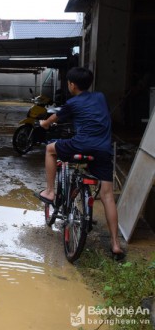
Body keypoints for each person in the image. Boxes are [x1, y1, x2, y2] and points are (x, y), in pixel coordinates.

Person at [35, 67, 124, 260]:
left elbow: (53, 118)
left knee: (50, 149)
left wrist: (44, 124)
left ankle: (50, 191)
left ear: (72, 85)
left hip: (81, 144)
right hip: (102, 148)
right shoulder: (100, 97)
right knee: (107, 195)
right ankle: (116, 244)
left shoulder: (72, 103)